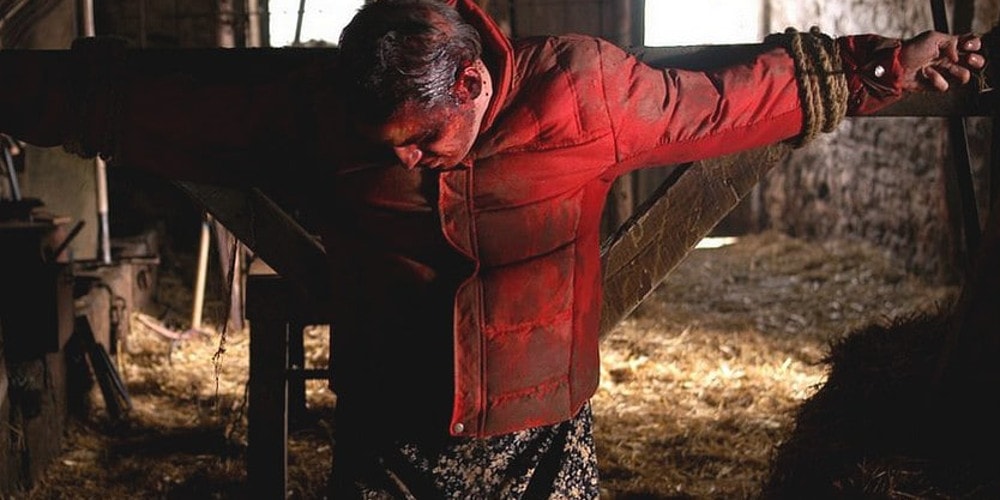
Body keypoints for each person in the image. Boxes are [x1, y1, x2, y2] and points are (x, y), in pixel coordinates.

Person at [0, 0, 987, 497]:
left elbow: (726, 103)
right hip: (388, 427)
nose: (416, 162)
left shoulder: (582, 93)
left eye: (426, 138)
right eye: (393, 148)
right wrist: (23, 90)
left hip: (541, 438)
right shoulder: (321, 113)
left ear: (473, 84)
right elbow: (157, 103)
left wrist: (885, 65)